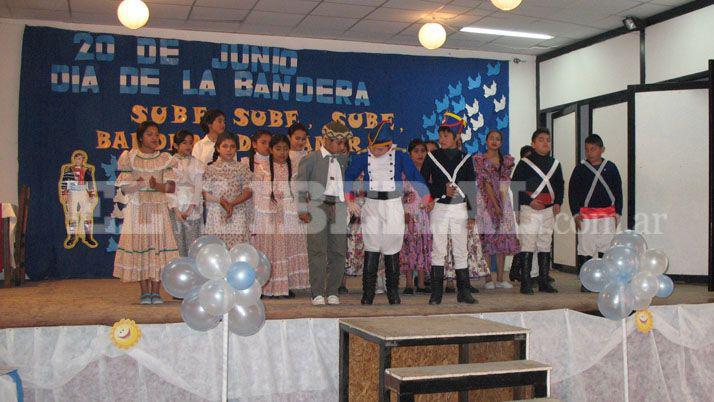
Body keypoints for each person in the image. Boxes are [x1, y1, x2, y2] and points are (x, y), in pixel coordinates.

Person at [345, 121, 431, 305]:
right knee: (372, 247)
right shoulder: (363, 157)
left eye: (378, 149)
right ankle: (368, 294)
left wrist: (426, 198)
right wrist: (350, 198)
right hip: (372, 205)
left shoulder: (400, 156)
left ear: (387, 145)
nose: (374, 152)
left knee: (393, 247)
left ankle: (393, 293)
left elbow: (414, 176)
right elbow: (349, 176)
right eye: (372, 149)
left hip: (393, 204)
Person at [113, 121, 178, 305]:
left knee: (156, 246)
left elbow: (171, 187)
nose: (154, 138)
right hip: (139, 207)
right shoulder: (130, 157)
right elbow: (124, 189)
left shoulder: (165, 158)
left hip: (157, 206)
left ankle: (156, 292)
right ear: (141, 137)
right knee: (141, 246)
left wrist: (156, 185)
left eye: (156, 134)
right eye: (149, 134)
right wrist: (139, 184)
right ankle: (144, 292)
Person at [420, 112, 478, 305]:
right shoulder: (432, 157)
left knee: (461, 249)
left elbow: (470, 185)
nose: (442, 139)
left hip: (460, 208)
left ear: (456, 137)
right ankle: (436, 293)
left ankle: (464, 292)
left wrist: (471, 213)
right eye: (441, 135)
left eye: (446, 136)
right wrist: (440, 189)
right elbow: (422, 183)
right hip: (439, 208)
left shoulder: (466, 158)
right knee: (438, 249)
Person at [296, 121, 351, 306]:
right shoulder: (312, 158)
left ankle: (333, 291)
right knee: (317, 250)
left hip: (339, 206)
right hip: (318, 205)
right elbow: (301, 184)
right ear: (326, 140)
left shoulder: (343, 159)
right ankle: (317, 292)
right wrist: (302, 207)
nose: (342, 146)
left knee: (338, 251)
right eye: (338, 142)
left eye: (344, 143)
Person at [252, 135, 310, 298]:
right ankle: (266, 287)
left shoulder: (295, 167)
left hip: (289, 214)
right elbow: (255, 192)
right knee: (270, 250)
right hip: (267, 214)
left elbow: (300, 192)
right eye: (278, 149)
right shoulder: (262, 167)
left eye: (285, 149)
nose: (282, 152)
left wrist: (301, 210)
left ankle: (284, 286)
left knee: (286, 249)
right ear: (270, 150)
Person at [511, 128, 563, 295]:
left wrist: (558, 202)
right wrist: (529, 201)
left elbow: (559, 184)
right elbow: (516, 186)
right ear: (533, 143)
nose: (545, 142)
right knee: (528, 243)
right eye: (541, 139)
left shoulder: (555, 164)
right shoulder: (524, 163)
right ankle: (525, 282)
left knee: (545, 243)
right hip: (530, 209)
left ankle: (543, 281)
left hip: (548, 210)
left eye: (548, 139)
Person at [568, 134, 623, 292]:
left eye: (593, 149)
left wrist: (618, 212)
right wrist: (575, 213)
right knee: (586, 246)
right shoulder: (580, 169)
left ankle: (605, 279)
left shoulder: (611, 167)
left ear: (602, 149)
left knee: (605, 246)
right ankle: (586, 281)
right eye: (587, 149)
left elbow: (618, 191)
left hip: (607, 214)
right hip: (586, 215)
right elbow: (573, 191)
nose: (589, 152)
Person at [474, 130, 520, 289]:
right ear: (486, 141)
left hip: (502, 201)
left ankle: (500, 278)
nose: (494, 141)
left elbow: (504, 184)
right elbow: (485, 184)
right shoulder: (480, 159)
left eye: (498, 139)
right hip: (485, 202)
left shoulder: (506, 161)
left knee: (501, 239)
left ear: (501, 143)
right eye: (491, 138)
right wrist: (494, 204)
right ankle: (488, 279)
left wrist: (502, 202)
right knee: (487, 240)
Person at [202, 134, 253, 248]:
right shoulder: (210, 169)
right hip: (217, 214)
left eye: (232, 146)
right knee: (218, 251)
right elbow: (204, 193)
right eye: (225, 146)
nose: (229, 150)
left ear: (236, 149)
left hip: (237, 212)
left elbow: (248, 191)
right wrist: (220, 201)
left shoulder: (242, 168)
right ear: (218, 148)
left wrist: (232, 204)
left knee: (238, 250)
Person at [400, 139, 432, 294]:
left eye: (422, 151)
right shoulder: (404, 173)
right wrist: (402, 212)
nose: (420, 154)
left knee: (422, 247)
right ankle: (408, 283)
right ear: (410, 154)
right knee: (408, 248)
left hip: (424, 215)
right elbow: (399, 195)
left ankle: (421, 282)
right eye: (416, 151)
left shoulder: (429, 172)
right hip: (408, 214)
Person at [168, 130, 204, 257]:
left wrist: (190, 209)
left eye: (190, 143)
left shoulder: (198, 164)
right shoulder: (169, 163)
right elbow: (169, 188)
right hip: (175, 206)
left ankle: (194, 272)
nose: (188, 146)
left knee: (193, 242)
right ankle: (178, 272)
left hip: (192, 207)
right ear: (176, 145)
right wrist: (176, 210)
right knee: (177, 242)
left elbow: (198, 188)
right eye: (184, 143)